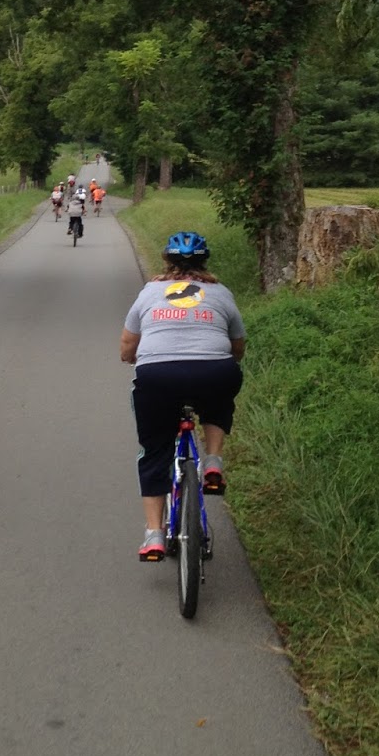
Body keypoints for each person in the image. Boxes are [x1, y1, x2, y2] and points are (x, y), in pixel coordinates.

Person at [119, 231, 246, 561]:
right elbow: (238, 347)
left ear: (166, 260)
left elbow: (127, 346)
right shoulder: (220, 293)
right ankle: (214, 461)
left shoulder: (149, 293)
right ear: (205, 260)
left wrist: (133, 357)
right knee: (220, 396)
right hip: (214, 372)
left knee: (154, 452)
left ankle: (154, 535)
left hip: (157, 377)